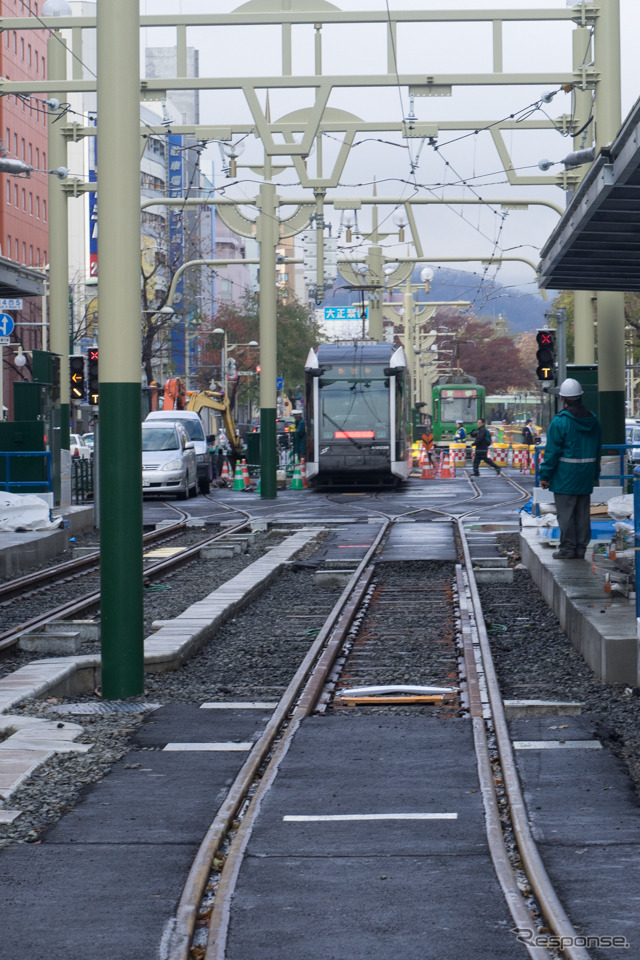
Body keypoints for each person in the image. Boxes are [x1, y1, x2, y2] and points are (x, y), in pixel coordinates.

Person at [539, 377, 601, 560]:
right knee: (582, 514)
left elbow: (552, 452)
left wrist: (545, 475)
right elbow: (597, 450)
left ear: (563, 399)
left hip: (565, 477)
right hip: (585, 476)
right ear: (580, 397)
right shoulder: (594, 421)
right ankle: (581, 548)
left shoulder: (560, 422)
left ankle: (567, 549)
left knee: (566, 515)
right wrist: (595, 474)